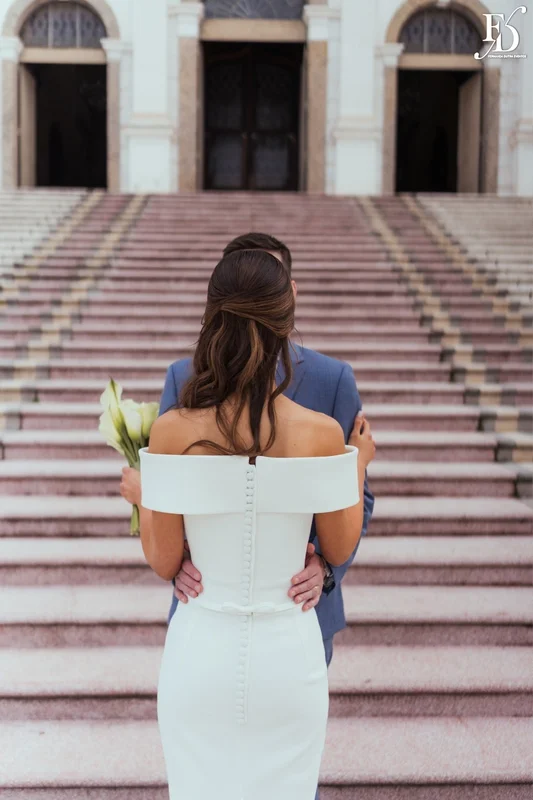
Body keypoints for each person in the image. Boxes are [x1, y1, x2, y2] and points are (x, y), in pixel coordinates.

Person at [135, 248, 376, 799]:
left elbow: (163, 560)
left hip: (201, 652)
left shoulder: (172, 431)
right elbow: (337, 547)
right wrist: (357, 462)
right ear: (285, 325)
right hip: (288, 657)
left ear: (212, 320)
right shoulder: (320, 434)